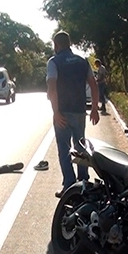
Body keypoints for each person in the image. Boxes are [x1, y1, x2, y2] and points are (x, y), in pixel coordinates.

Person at [47, 30, 100, 198]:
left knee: (64, 149)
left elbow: (52, 87)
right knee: (81, 147)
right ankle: (83, 181)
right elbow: (93, 84)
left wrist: (55, 112)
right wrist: (94, 109)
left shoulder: (54, 62)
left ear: (56, 45)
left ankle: (69, 185)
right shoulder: (82, 61)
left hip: (62, 112)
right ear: (69, 44)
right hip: (79, 112)